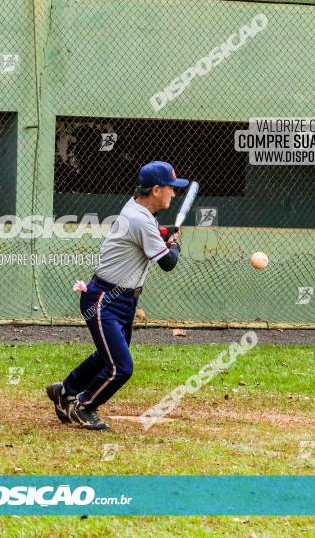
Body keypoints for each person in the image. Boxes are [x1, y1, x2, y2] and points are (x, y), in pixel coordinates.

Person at [47, 161, 187, 430]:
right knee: (121, 367)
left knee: (106, 356)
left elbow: (148, 235)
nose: (173, 193)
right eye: (170, 188)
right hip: (105, 299)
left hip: (123, 299)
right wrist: (175, 245)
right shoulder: (140, 219)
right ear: (156, 190)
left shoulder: (137, 208)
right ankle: (85, 407)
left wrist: (164, 236)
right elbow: (168, 263)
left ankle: (64, 391)